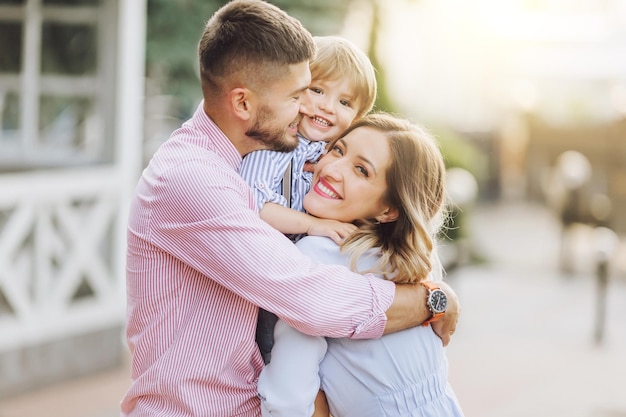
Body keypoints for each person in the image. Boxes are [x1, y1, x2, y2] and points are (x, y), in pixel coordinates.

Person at [121, 1, 459, 416]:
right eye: (299, 95)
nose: (309, 109)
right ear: (243, 104)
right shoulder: (192, 179)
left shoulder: (241, 167)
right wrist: (432, 300)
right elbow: (313, 301)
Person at [257, 113, 464, 417]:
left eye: (361, 170)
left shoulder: (317, 253)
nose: (332, 169)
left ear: (389, 209)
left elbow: (286, 401)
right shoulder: (409, 261)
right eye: (337, 150)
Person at [238, 34, 378, 363]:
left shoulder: (326, 154)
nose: (328, 107)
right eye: (318, 90)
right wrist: (314, 224)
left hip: (304, 280)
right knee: (278, 357)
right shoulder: (277, 143)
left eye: (345, 102)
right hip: (269, 283)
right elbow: (253, 205)